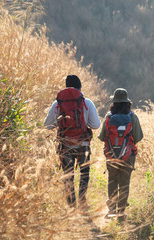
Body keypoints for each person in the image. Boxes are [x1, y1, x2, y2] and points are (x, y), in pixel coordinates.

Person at [44, 75, 101, 209]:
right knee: (84, 173)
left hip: (65, 145)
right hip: (83, 145)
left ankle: (71, 205)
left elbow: (48, 125)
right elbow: (96, 125)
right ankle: (82, 201)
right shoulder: (87, 103)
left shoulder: (57, 104)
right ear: (80, 88)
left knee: (68, 175)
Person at [98, 88, 143, 217]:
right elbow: (138, 137)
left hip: (111, 155)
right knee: (124, 182)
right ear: (127, 102)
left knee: (112, 180)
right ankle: (121, 210)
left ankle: (112, 209)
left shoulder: (108, 116)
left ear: (114, 102)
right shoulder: (133, 117)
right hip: (128, 155)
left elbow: (101, 137)